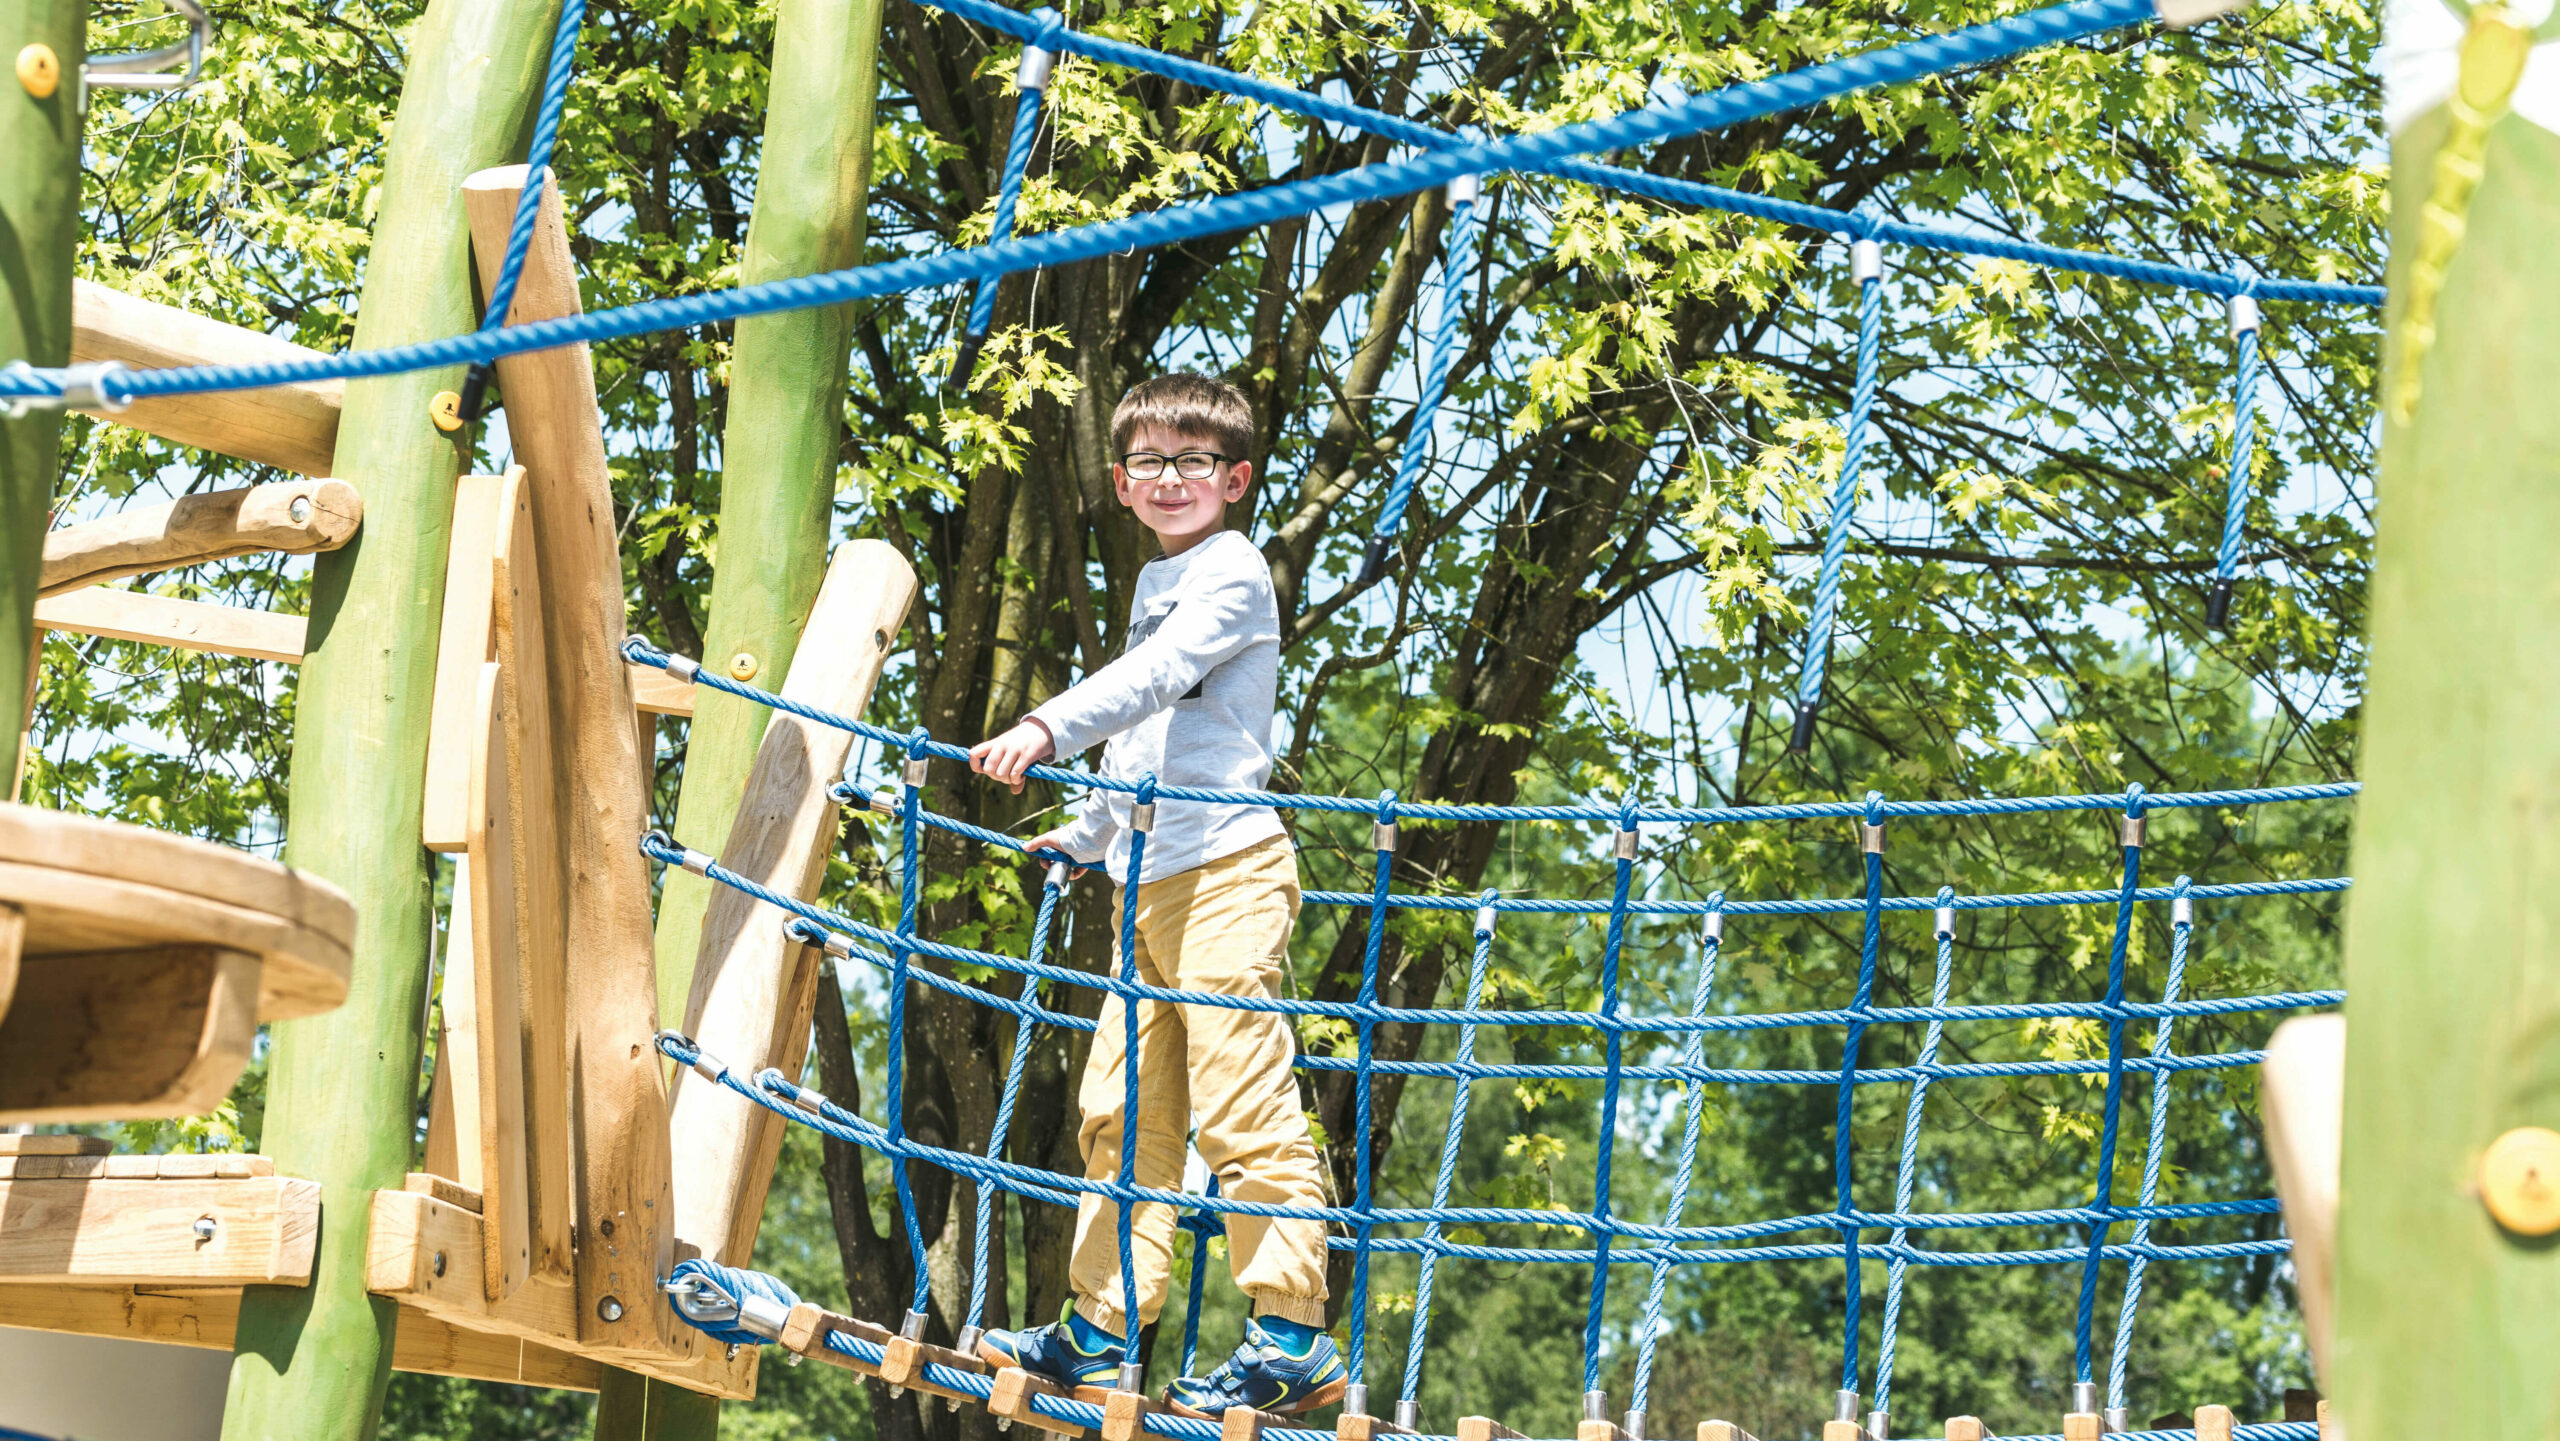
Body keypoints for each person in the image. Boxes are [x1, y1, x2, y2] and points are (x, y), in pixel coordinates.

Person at [966, 373, 1344, 1419]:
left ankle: (1289, 1330)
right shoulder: (1156, 579)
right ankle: (1100, 1323)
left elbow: (1155, 678)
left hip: (1225, 870)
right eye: (1147, 464)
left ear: (1234, 479)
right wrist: (1090, 832)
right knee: (1122, 1111)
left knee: (1239, 1096)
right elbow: (1151, 732)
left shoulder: (1229, 574)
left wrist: (1043, 728)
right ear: (1121, 484)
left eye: (1191, 462)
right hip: (1150, 878)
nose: (1168, 480)